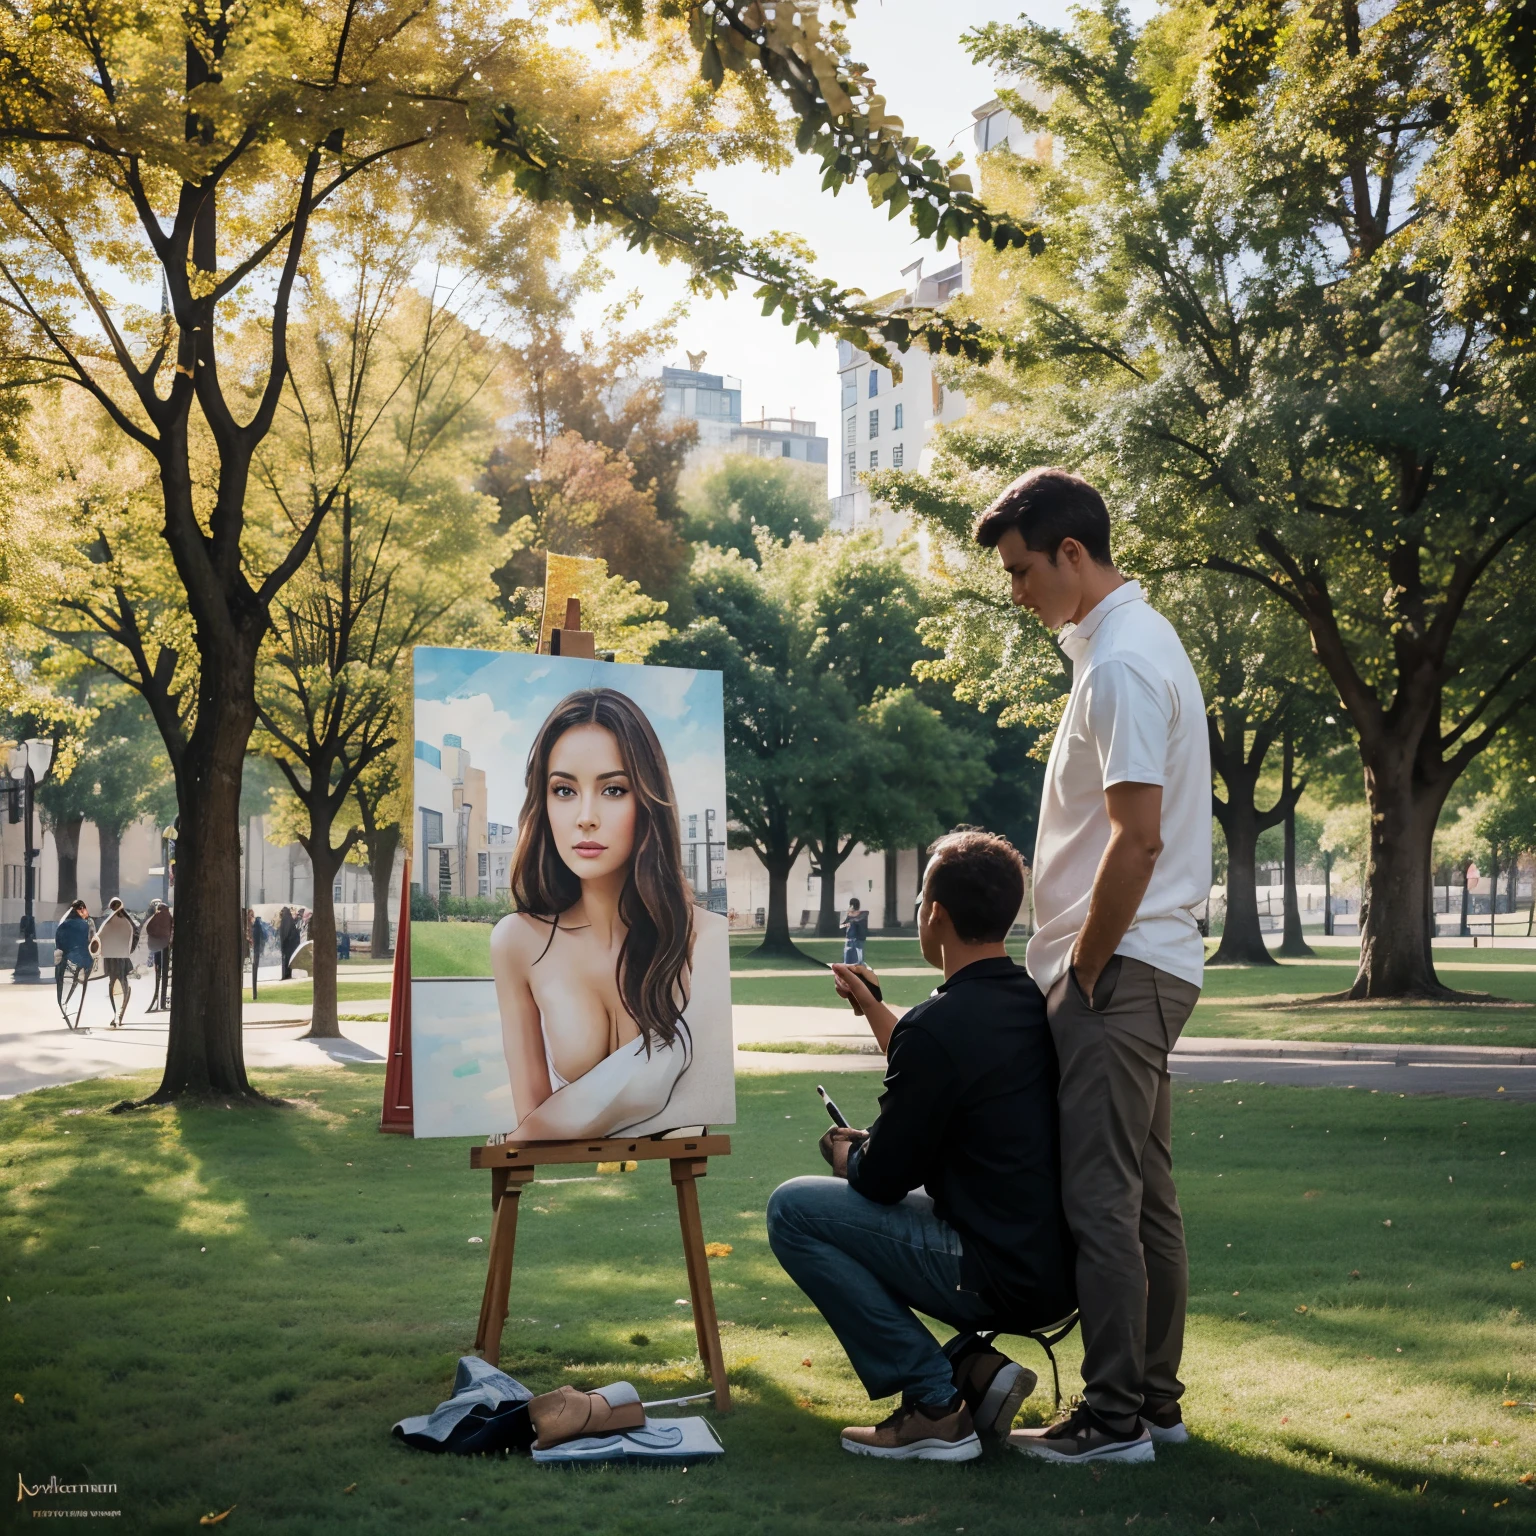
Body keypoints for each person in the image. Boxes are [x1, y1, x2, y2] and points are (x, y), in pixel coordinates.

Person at [975, 467, 1210, 1464]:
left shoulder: (1118, 662)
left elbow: (1138, 839)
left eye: (1024, 570)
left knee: (1103, 1199)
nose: (1015, 591)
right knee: (1145, 1196)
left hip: (1121, 969)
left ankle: (1114, 1420)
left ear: (1073, 553)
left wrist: (1082, 963)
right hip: (1149, 963)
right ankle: (1153, 1404)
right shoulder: (1129, 645)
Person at [766, 829, 1075, 1462]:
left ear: (933, 914)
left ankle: (936, 1404)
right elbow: (941, 1056)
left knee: (793, 1210)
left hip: (991, 1270)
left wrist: (848, 1154)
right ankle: (973, 1368)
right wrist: (874, 1006)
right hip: (1056, 1265)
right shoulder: (1032, 1001)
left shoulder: (938, 1027)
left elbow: (883, 1180)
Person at [489, 687, 727, 1140]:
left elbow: (699, 1105)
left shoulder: (705, 939)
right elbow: (529, 1126)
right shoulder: (518, 942)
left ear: (647, 801)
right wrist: (526, 1137)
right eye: (564, 790)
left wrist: (529, 1135)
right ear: (544, 804)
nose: (586, 817)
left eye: (614, 789)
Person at [96, 897, 139, 1027]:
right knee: (122, 982)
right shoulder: (127, 920)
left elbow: (99, 937)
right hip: (122, 957)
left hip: (111, 957)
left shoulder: (108, 921)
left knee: (113, 984)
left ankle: (116, 1013)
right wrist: (129, 950)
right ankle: (119, 1013)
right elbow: (135, 935)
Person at [54, 898, 97, 1019]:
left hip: (66, 957)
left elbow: (59, 942)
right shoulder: (87, 923)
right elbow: (92, 941)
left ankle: (64, 1003)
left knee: (65, 980)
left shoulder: (64, 924)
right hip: (83, 958)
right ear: (82, 909)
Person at [144, 899, 173, 1011]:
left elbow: (148, 928)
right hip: (166, 946)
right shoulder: (169, 916)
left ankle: (157, 997)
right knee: (165, 972)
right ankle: (163, 1000)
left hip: (156, 946)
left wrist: (155, 936)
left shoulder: (155, 916)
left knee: (158, 971)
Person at [840, 897, 868, 964]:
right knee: (847, 958)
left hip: (858, 938)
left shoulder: (863, 914)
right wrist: (847, 916)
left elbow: (858, 922)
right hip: (849, 938)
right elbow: (841, 925)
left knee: (859, 958)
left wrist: (851, 920)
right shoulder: (846, 914)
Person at [278, 906, 296, 980]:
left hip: (287, 944)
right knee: (288, 959)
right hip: (290, 944)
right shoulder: (289, 919)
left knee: (286, 959)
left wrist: (283, 942)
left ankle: (286, 974)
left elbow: (285, 932)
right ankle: (287, 974)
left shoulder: (286, 920)